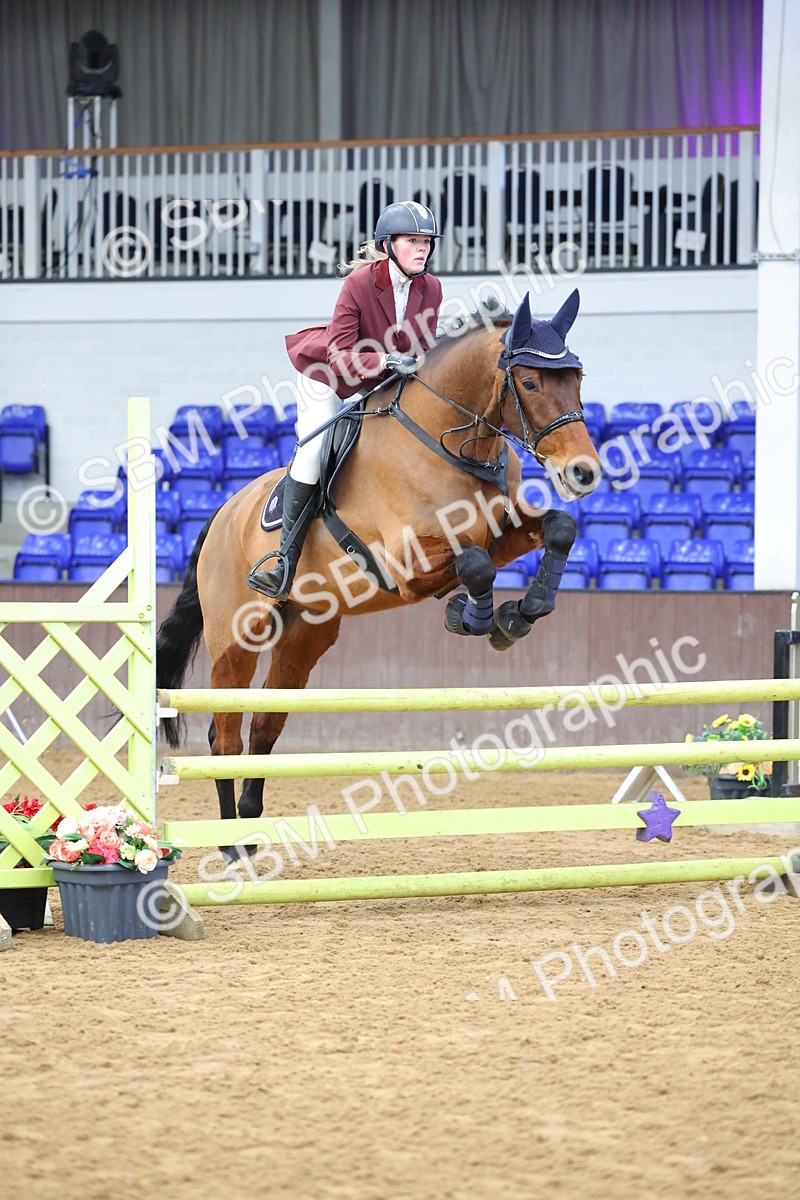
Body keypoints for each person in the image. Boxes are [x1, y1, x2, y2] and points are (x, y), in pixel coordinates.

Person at [248, 200, 444, 600]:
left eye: (426, 242)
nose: (422, 248)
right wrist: (385, 359)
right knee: (314, 449)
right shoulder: (359, 283)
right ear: (388, 245)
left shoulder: (432, 288)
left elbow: (422, 351)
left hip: (380, 381)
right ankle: (283, 562)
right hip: (328, 376)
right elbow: (339, 355)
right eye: (412, 241)